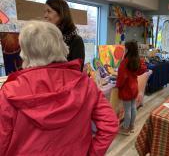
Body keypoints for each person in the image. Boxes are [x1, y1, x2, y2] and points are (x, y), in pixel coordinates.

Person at [0, 21, 118, 156]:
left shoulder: (9, 92)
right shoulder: (86, 84)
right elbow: (109, 125)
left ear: (24, 51)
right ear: (61, 45)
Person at [44, 0, 85, 70]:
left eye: (49, 11)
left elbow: (76, 72)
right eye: (45, 12)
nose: (45, 16)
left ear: (61, 14)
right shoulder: (45, 38)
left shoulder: (76, 41)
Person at [116, 40, 147, 135]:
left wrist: (118, 85)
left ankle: (126, 128)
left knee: (127, 109)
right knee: (133, 107)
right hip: (134, 87)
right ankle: (132, 126)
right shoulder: (137, 60)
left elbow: (121, 78)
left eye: (125, 48)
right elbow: (142, 69)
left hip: (126, 89)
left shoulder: (124, 62)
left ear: (128, 49)